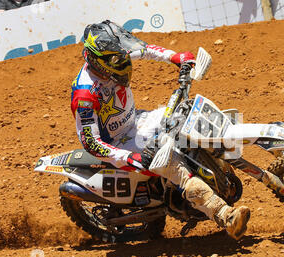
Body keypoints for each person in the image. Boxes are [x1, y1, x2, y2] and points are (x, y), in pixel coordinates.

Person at [70, 20, 250, 240]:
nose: (125, 61)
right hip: (119, 143)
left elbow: (145, 50)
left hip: (137, 120)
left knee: (189, 114)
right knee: (172, 161)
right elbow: (91, 143)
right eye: (118, 60)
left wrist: (175, 57)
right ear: (99, 60)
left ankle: (223, 166)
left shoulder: (113, 55)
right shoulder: (85, 95)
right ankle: (225, 215)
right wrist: (130, 158)